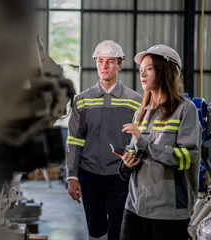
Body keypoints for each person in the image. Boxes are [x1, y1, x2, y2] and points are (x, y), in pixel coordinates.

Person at [115, 44, 201, 240]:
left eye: (149, 68)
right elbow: (133, 149)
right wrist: (127, 162)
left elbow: (189, 158)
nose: (142, 74)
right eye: (140, 70)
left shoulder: (185, 110)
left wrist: (145, 143)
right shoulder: (141, 112)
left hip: (168, 211)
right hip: (135, 206)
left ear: (166, 70)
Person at [66, 40, 142, 240]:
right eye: (101, 61)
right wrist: (72, 175)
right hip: (90, 176)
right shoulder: (82, 100)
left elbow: (141, 140)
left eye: (110, 62)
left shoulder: (135, 101)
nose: (105, 66)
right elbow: (74, 140)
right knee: (96, 230)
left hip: (121, 176)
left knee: (118, 231)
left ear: (120, 65)